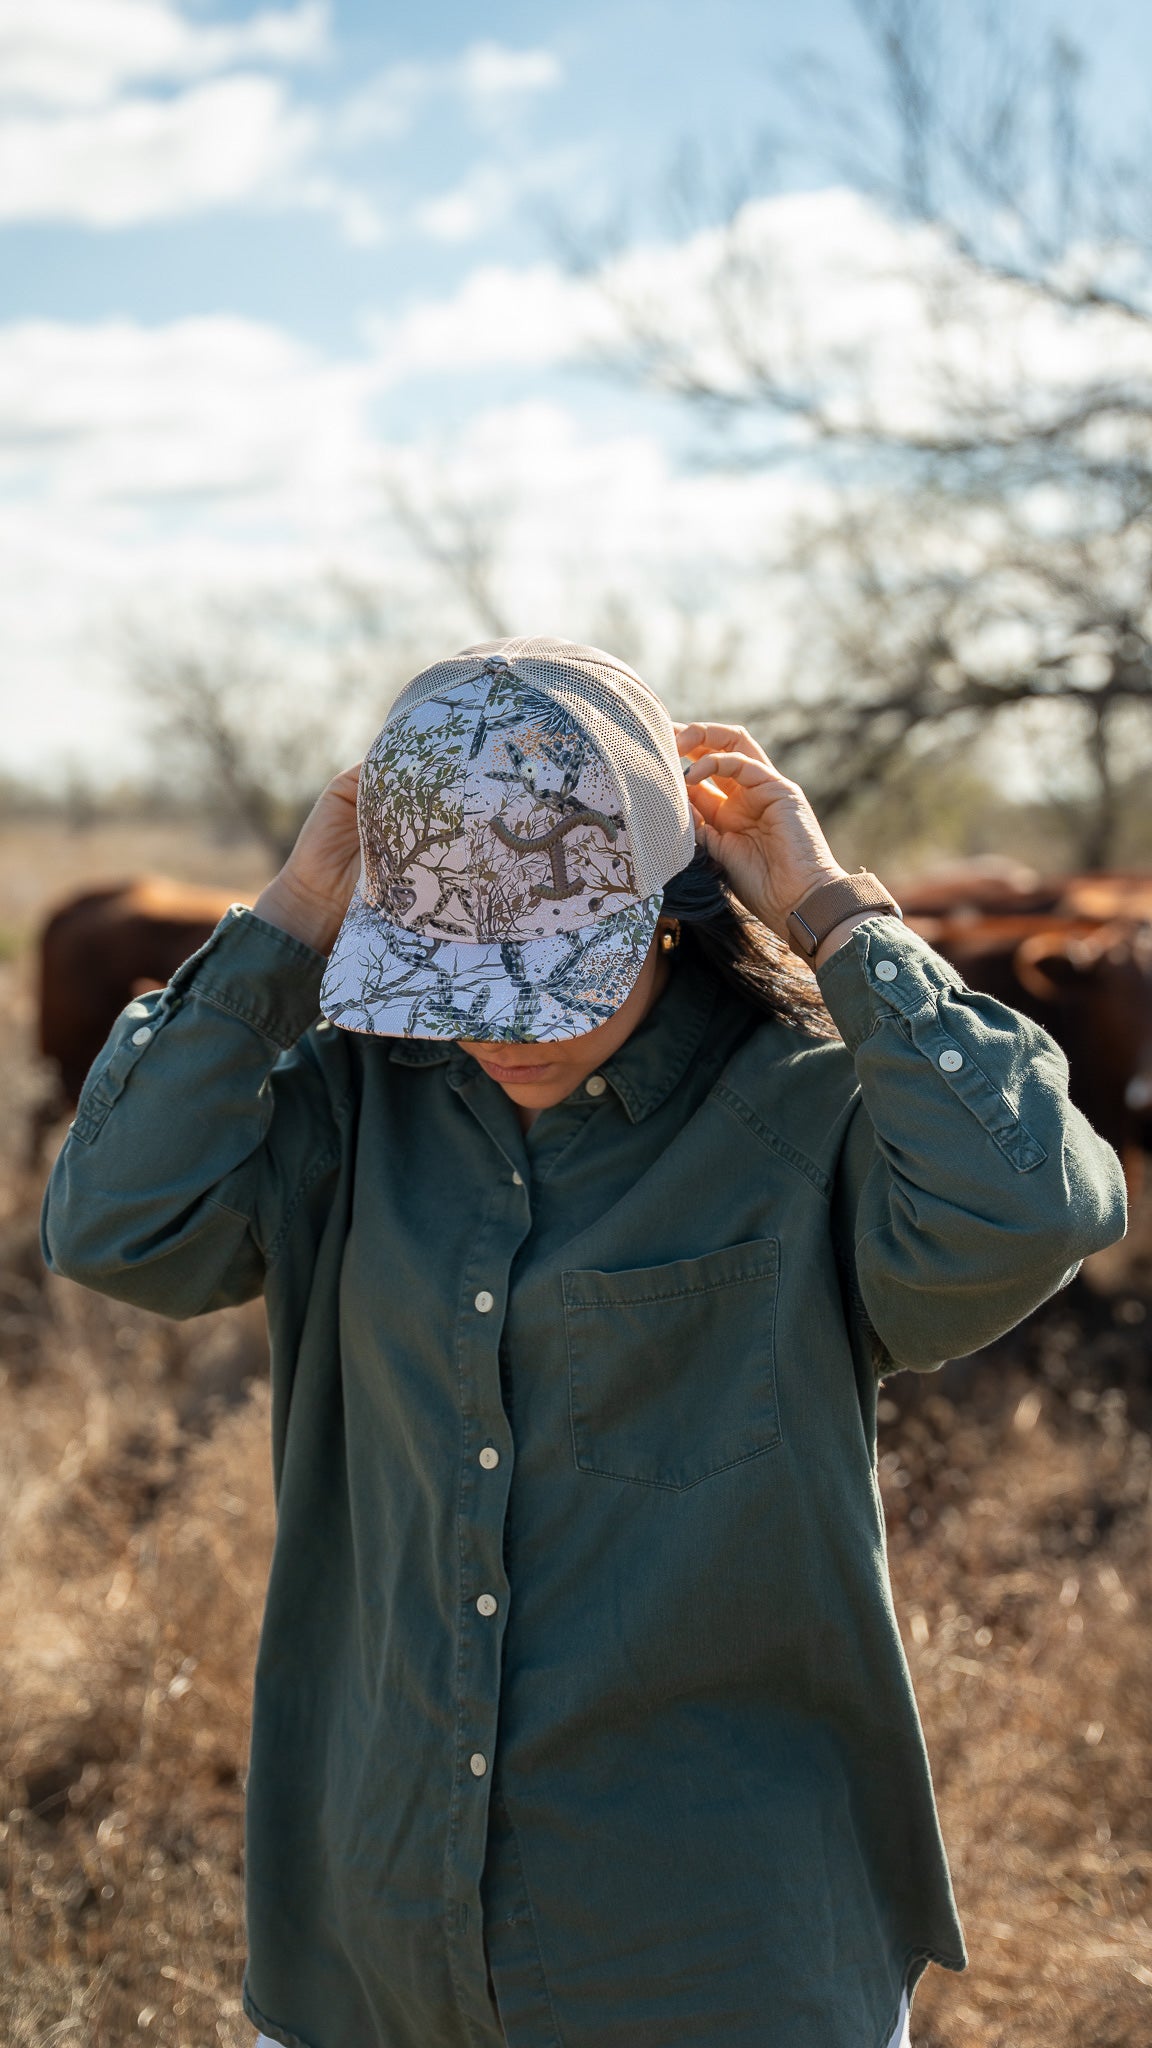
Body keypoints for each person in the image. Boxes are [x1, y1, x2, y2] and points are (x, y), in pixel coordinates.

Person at [41, 637, 1126, 2048]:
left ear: (669, 912)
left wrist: (835, 914)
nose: (504, 1032)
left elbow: (1036, 1206)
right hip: (371, 1962)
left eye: (553, 972)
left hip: (714, 1959)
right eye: (447, 970)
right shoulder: (355, 1105)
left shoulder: (804, 1113)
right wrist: (298, 907)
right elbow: (114, 1224)